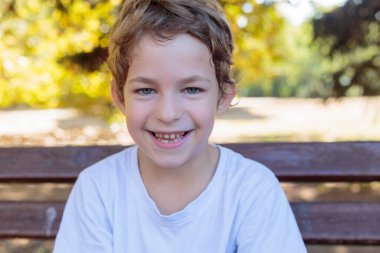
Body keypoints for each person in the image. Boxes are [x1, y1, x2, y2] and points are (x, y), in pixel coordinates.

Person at [53, 0, 307, 252]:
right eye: (146, 90)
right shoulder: (98, 189)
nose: (168, 113)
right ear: (120, 97)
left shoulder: (252, 189)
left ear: (223, 95)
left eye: (192, 89)